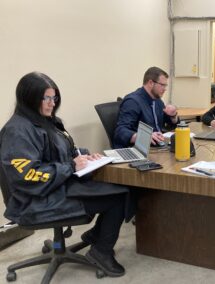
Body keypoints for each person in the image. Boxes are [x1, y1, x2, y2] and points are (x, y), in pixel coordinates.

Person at [0, 72, 133, 277]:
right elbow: (28, 175)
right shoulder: (17, 131)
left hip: (56, 186)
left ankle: (96, 236)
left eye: (54, 98)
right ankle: (101, 252)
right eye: (46, 98)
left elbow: (64, 151)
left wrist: (85, 157)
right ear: (29, 99)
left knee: (122, 189)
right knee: (118, 196)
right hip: (35, 200)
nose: (52, 103)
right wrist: (71, 167)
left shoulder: (47, 121)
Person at [113, 66, 179, 148]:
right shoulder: (132, 102)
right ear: (151, 83)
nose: (165, 89)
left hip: (158, 146)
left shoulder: (157, 100)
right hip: (138, 150)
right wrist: (144, 137)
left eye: (166, 85)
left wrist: (173, 116)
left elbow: (170, 123)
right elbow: (120, 132)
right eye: (162, 85)